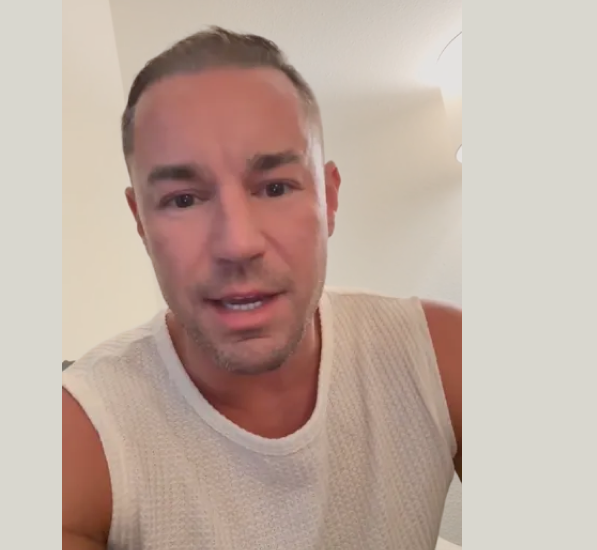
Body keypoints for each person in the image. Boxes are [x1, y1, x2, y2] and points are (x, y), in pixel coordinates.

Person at [62, 26, 462, 550]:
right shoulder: (82, 433)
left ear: (329, 199)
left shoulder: (439, 356)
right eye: (184, 199)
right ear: (140, 220)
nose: (238, 244)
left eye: (275, 188)